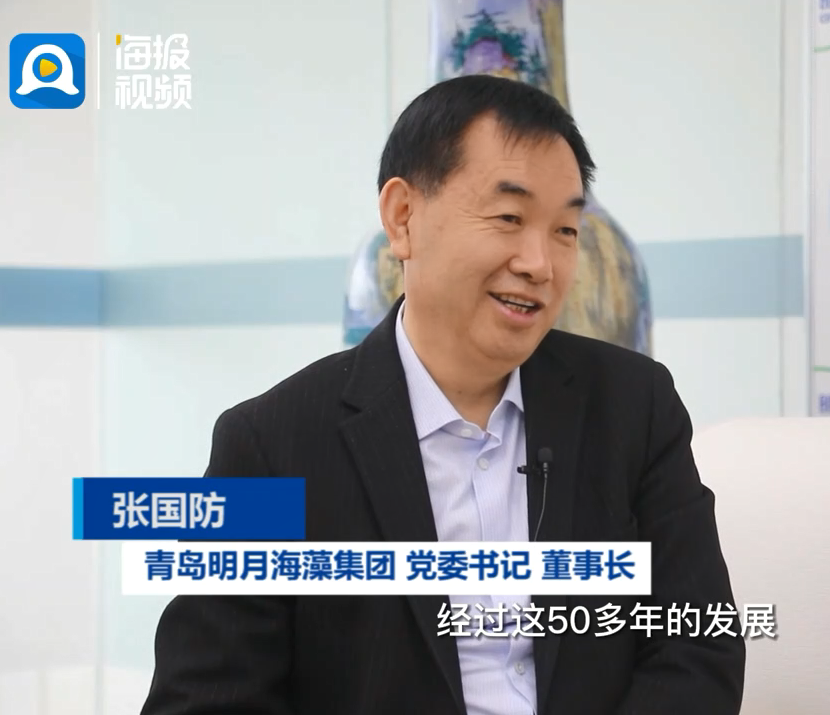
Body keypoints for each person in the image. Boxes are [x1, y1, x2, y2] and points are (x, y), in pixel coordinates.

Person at [140, 74, 746, 715]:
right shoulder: (269, 446)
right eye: (509, 218)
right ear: (403, 218)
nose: (540, 264)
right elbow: (207, 697)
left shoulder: (634, 405)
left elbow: (698, 647)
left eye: (566, 230)